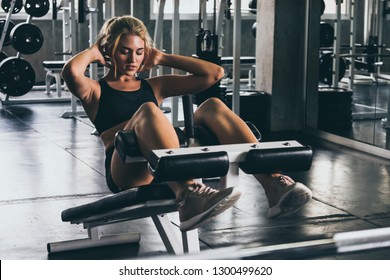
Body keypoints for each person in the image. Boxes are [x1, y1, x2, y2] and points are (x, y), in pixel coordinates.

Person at [62, 15, 312, 232]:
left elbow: (214, 74)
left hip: (161, 164)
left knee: (212, 105)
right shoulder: (95, 91)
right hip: (126, 170)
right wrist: (95, 51)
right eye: (124, 50)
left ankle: (273, 184)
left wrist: (162, 57)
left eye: (139, 52)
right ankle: (188, 194)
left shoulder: (155, 86)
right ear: (111, 51)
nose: (133, 59)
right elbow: (72, 72)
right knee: (148, 110)